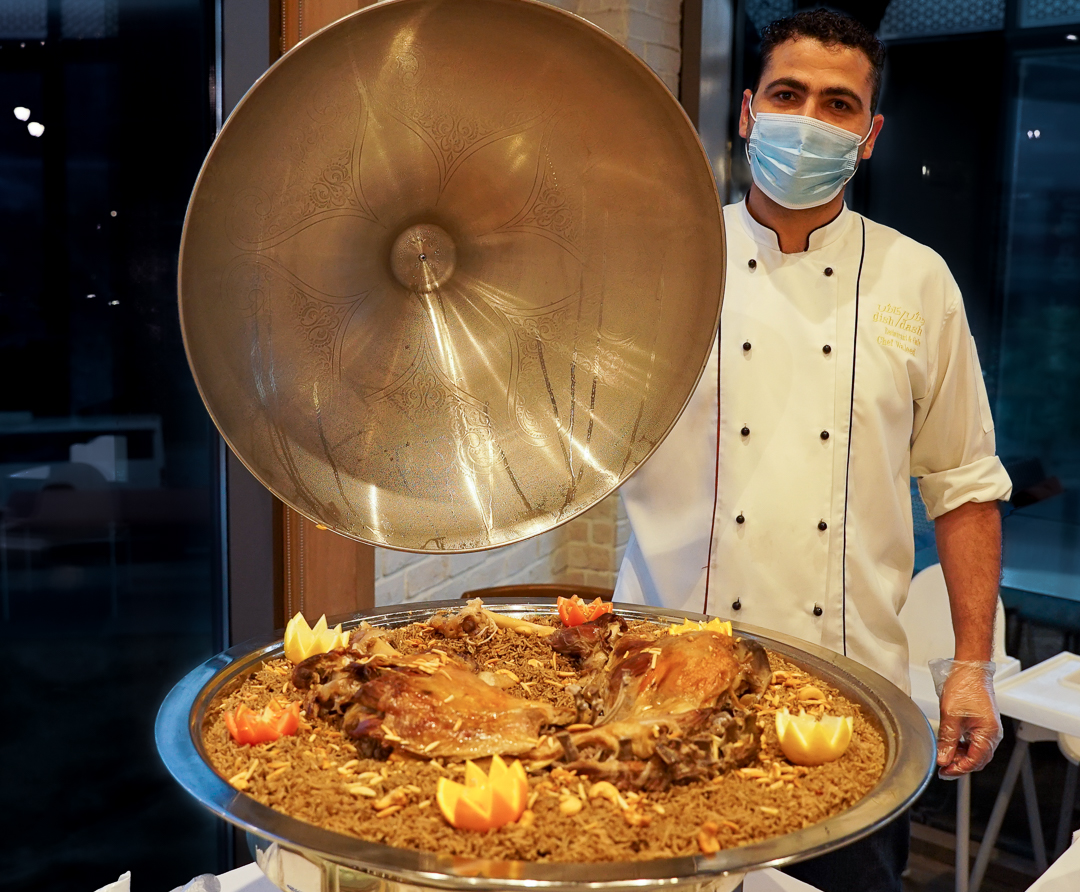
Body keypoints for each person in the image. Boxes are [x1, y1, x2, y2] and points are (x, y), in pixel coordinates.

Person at [614, 9, 1013, 891]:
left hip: (848, 707)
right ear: (749, 113)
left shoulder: (919, 279)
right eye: (789, 94)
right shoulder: (662, 260)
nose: (810, 119)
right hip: (657, 688)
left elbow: (964, 485)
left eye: (838, 104)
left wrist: (971, 670)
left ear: (867, 137)